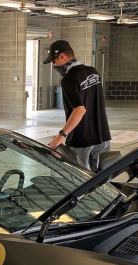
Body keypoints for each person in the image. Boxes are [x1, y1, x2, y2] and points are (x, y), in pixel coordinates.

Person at [43, 40, 113, 172]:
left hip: (82, 139)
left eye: (54, 61)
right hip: (102, 136)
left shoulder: (69, 79)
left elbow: (80, 109)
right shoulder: (93, 72)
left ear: (62, 56)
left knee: (80, 179)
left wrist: (61, 135)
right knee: (102, 179)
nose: (54, 65)